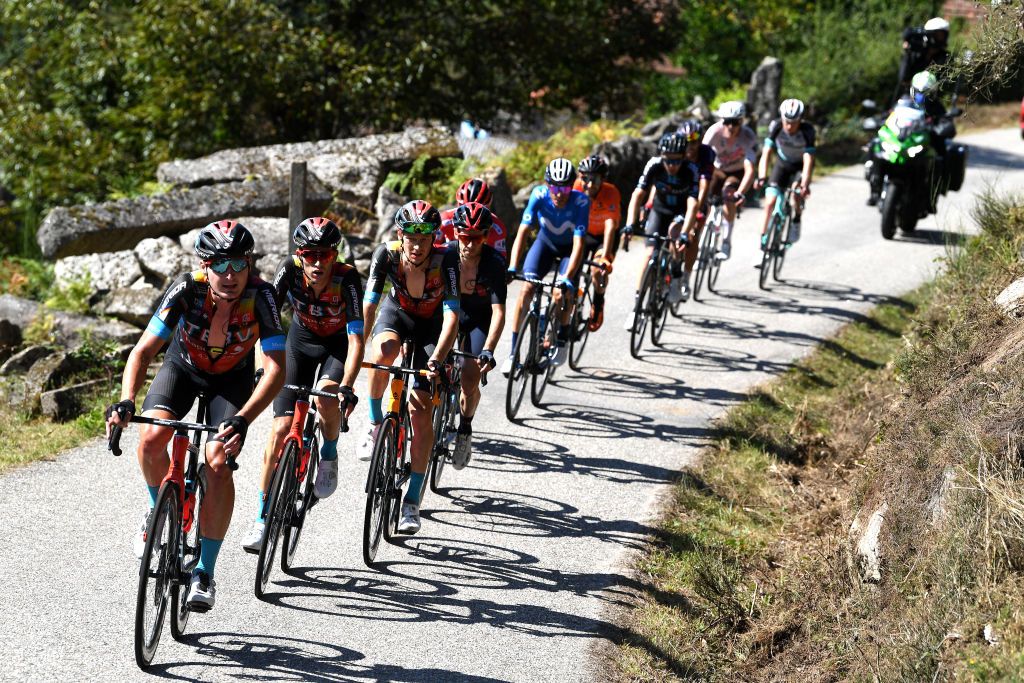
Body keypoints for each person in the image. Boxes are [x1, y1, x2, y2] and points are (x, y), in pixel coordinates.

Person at [105, 220, 286, 611]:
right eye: (220, 265)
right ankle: (158, 508)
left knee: (218, 463)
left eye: (239, 264)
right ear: (204, 265)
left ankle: (204, 571)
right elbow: (142, 352)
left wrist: (243, 420)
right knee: (152, 440)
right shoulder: (187, 289)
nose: (231, 275)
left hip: (232, 382)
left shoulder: (262, 296)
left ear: (250, 263)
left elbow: (275, 369)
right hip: (182, 370)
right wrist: (126, 400)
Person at [241, 217, 364, 553]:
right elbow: (263, 321)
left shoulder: (347, 278)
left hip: (336, 347)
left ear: (335, 255)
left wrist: (348, 385)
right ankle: (261, 517)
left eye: (325, 255)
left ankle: (328, 453)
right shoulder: (290, 269)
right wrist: (261, 366)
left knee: (325, 399)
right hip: (299, 342)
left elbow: (355, 339)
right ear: (300, 254)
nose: (317, 263)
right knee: (280, 430)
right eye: (310, 255)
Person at [360, 200, 460, 534]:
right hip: (398, 314)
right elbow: (370, 305)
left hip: (432, 328)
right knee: (382, 352)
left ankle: (413, 500)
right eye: (410, 237)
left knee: (419, 410)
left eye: (424, 238)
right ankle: (375, 424)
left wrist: (436, 360)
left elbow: (452, 318)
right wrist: (357, 348)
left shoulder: (447, 260)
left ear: (434, 238)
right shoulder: (386, 254)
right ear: (400, 235)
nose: (416, 246)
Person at [503, 158, 590, 373]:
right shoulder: (539, 195)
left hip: (570, 249)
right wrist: (513, 266)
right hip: (546, 243)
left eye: (566, 187)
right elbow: (523, 232)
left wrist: (567, 277)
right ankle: (514, 354)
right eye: (554, 186)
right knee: (526, 290)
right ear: (547, 184)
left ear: (573, 186)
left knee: (561, 293)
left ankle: (561, 338)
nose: (559, 193)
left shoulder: (581, 202)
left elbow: (579, 242)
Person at [441, 202, 507, 468]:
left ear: (486, 236)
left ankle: (465, 428)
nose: (470, 244)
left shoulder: (494, 263)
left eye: (477, 238)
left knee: (470, 375)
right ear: (456, 234)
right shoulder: (445, 255)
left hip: (479, 319)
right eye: (465, 237)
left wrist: (488, 349)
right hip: (448, 314)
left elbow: (499, 312)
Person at [622, 132, 700, 329]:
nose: (672, 166)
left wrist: (686, 232)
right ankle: (637, 308)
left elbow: (692, 205)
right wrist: (630, 223)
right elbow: (637, 194)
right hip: (660, 210)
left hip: (681, 213)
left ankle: (675, 274)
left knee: (675, 233)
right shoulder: (654, 165)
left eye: (677, 161)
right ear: (662, 157)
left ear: (684, 157)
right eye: (668, 161)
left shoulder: (691, 170)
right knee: (649, 254)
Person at [755, 99, 815, 247]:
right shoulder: (776, 126)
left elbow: (808, 160)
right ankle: (762, 243)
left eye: (794, 122)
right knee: (769, 202)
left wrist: (804, 184)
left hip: (800, 166)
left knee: (796, 194)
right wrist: (762, 176)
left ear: (800, 120)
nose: (789, 126)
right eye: (786, 121)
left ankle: (796, 219)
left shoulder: (808, 131)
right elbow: (766, 154)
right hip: (783, 163)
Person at [702, 102, 758, 259]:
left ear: (742, 122)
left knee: (728, 196)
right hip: (717, 169)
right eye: (727, 122)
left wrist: (740, 193)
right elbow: (701, 158)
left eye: (735, 122)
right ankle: (700, 232)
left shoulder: (748, 137)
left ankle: (726, 241)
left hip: (737, 171)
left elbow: (750, 169)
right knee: (704, 196)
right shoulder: (714, 132)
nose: (730, 126)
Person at [572, 155, 620, 331]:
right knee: (572, 268)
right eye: (586, 179)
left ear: (603, 179)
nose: (590, 185)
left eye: (596, 180)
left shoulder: (611, 192)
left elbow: (609, 226)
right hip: (584, 233)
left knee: (596, 270)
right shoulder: (576, 187)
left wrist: (605, 257)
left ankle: (598, 304)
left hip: (604, 238)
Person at [435, 178, 509, 260]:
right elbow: (430, 252)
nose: (471, 215)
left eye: (478, 210)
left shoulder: (497, 228)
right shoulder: (444, 220)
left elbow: (500, 262)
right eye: (465, 208)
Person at [894, 17, 951, 106]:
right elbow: (903, 78)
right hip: (905, 100)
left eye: (943, 35)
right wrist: (907, 52)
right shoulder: (915, 53)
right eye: (938, 35)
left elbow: (941, 84)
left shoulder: (944, 57)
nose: (941, 39)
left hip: (929, 103)